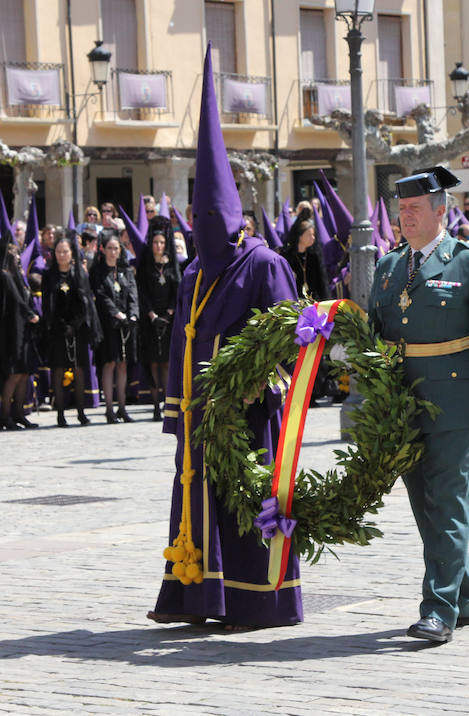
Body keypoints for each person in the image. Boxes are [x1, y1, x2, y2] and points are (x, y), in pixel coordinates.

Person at [148, 45, 303, 630]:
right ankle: (194, 594)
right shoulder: (193, 271)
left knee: (243, 503)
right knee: (196, 501)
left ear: (235, 219)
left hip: (248, 413)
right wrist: (175, 406)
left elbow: (292, 335)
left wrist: (259, 384)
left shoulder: (265, 266)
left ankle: (252, 601)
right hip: (197, 414)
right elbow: (179, 342)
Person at [368, 166, 469, 643]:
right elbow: (376, 334)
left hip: (454, 403)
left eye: (414, 209)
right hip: (403, 406)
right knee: (424, 507)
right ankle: (464, 595)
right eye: (401, 209)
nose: (404, 217)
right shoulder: (390, 268)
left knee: (449, 504)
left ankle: (438, 609)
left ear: (440, 211)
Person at [41, 233, 102, 426]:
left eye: (65, 251)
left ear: (71, 253)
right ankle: (60, 414)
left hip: (78, 328)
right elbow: (47, 304)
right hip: (58, 328)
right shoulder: (49, 275)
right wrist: (60, 324)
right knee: (58, 370)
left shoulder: (79, 273)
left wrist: (75, 324)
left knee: (78, 370)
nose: (61, 255)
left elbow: (85, 301)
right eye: (58, 251)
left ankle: (81, 412)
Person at [91, 231, 138, 423]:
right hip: (108, 324)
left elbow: (133, 293)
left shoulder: (126, 271)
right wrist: (116, 313)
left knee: (123, 364)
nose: (113, 252)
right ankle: (109, 409)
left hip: (126, 324)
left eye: (116, 248)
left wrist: (133, 314)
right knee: (109, 363)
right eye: (109, 248)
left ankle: (122, 407)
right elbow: (102, 296)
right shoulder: (98, 271)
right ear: (103, 250)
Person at [137, 219, 181, 421]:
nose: (158, 246)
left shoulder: (172, 265)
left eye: (162, 243)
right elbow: (142, 292)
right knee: (153, 361)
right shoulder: (146, 266)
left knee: (166, 362)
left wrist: (169, 313)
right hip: (151, 319)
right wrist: (152, 315)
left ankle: (167, 403)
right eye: (155, 242)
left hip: (169, 319)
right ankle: (155, 404)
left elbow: (177, 291)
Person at [0, 233, 40, 429]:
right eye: (13, 255)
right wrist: (31, 314)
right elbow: (17, 301)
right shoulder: (5, 276)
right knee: (14, 374)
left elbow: (26, 298)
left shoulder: (19, 276)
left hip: (25, 331)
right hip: (12, 331)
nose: (17, 258)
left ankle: (19, 414)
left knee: (24, 373)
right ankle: (5, 415)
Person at [280, 213, 328, 301]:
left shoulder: (313, 256)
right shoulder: (287, 257)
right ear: (300, 236)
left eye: (314, 235)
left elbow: (320, 283)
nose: (313, 238)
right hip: (293, 301)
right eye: (309, 235)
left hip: (312, 301)